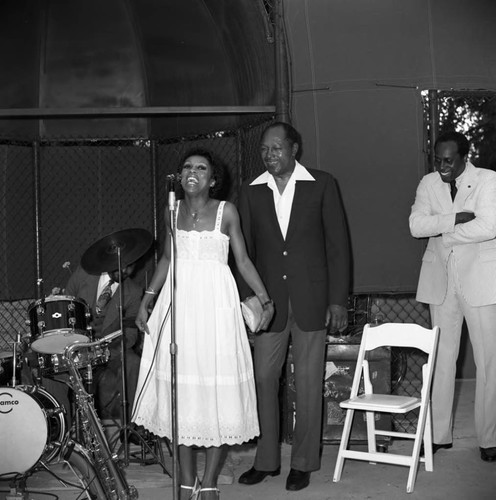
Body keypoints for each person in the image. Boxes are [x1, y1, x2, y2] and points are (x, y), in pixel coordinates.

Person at [131, 147, 274, 500]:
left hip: (215, 310)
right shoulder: (171, 210)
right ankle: (185, 479)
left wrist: (265, 298)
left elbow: (242, 260)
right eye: (187, 167)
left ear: (212, 179)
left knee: (214, 394)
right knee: (183, 395)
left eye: (201, 168)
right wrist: (147, 300)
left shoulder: (227, 212)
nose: (192, 172)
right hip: (178, 307)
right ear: (180, 177)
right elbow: (166, 258)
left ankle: (209, 482)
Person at [236, 121, 350, 491]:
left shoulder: (322, 184)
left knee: (307, 382)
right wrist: (250, 300)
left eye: (277, 148)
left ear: (294, 149)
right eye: (265, 150)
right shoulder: (251, 192)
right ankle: (267, 460)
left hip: (312, 300)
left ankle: (303, 462)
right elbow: (244, 254)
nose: (270, 155)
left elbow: (338, 246)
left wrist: (337, 299)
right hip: (269, 307)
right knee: (264, 379)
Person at [409, 130, 496, 463]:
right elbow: (416, 226)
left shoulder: (488, 180)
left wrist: (442, 230)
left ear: (464, 156)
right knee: (441, 360)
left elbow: (489, 226)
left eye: (448, 160)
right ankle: (438, 435)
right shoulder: (427, 183)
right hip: (440, 280)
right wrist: (456, 219)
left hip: (482, 280)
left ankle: (489, 439)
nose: (442, 166)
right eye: (437, 159)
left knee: (488, 360)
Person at [65, 262, 143, 423]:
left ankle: (131, 425)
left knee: (133, 362)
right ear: (110, 258)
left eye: (130, 267)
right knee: (53, 368)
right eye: (121, 265)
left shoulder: (134, 291)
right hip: (76, 348)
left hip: (109, 351)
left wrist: (106, 352)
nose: (124, 271)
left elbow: (130, 334)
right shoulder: (83, 274)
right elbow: (65, 307)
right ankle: (61, 426)